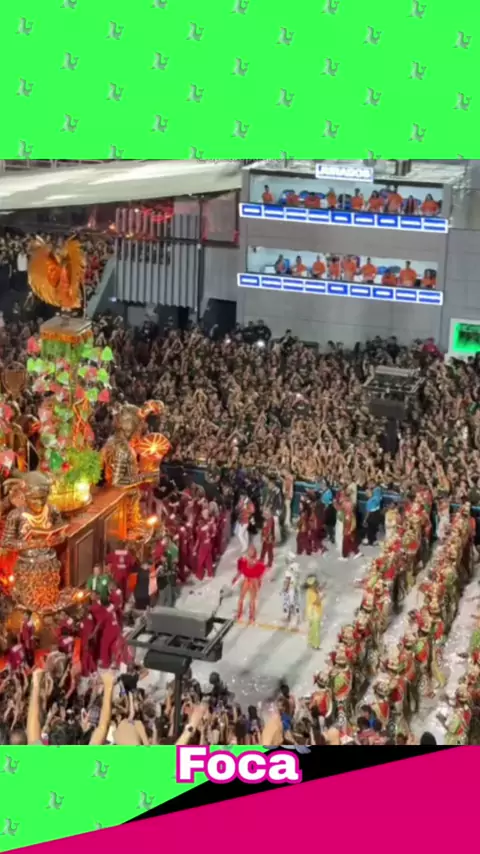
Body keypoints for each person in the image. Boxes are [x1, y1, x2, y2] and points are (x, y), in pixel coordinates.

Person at [232, 544, 266, 623]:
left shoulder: (257, 562)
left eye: (252, 550)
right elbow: (241, 570)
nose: (250, 552)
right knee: (241, 598)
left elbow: (259, 574)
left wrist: (258, 582)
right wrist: (236, 578)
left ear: (254, 552)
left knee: (252, 600)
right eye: (249, 550)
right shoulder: (244, 560)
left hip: (253, 581)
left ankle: (252, 616)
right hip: (246, 580)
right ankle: (239, 614)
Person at [304, 574, 324, 649]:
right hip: (314, 613)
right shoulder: (311, 593)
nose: (317, 584)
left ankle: (310, 641)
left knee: (312, 628)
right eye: (315, 583)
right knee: (316, 629)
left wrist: (320, 590)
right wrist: (322, 596)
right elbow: (317, 602)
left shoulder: (311, 590)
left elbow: (318, 590)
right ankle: (315, 645)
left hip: (311, 613)